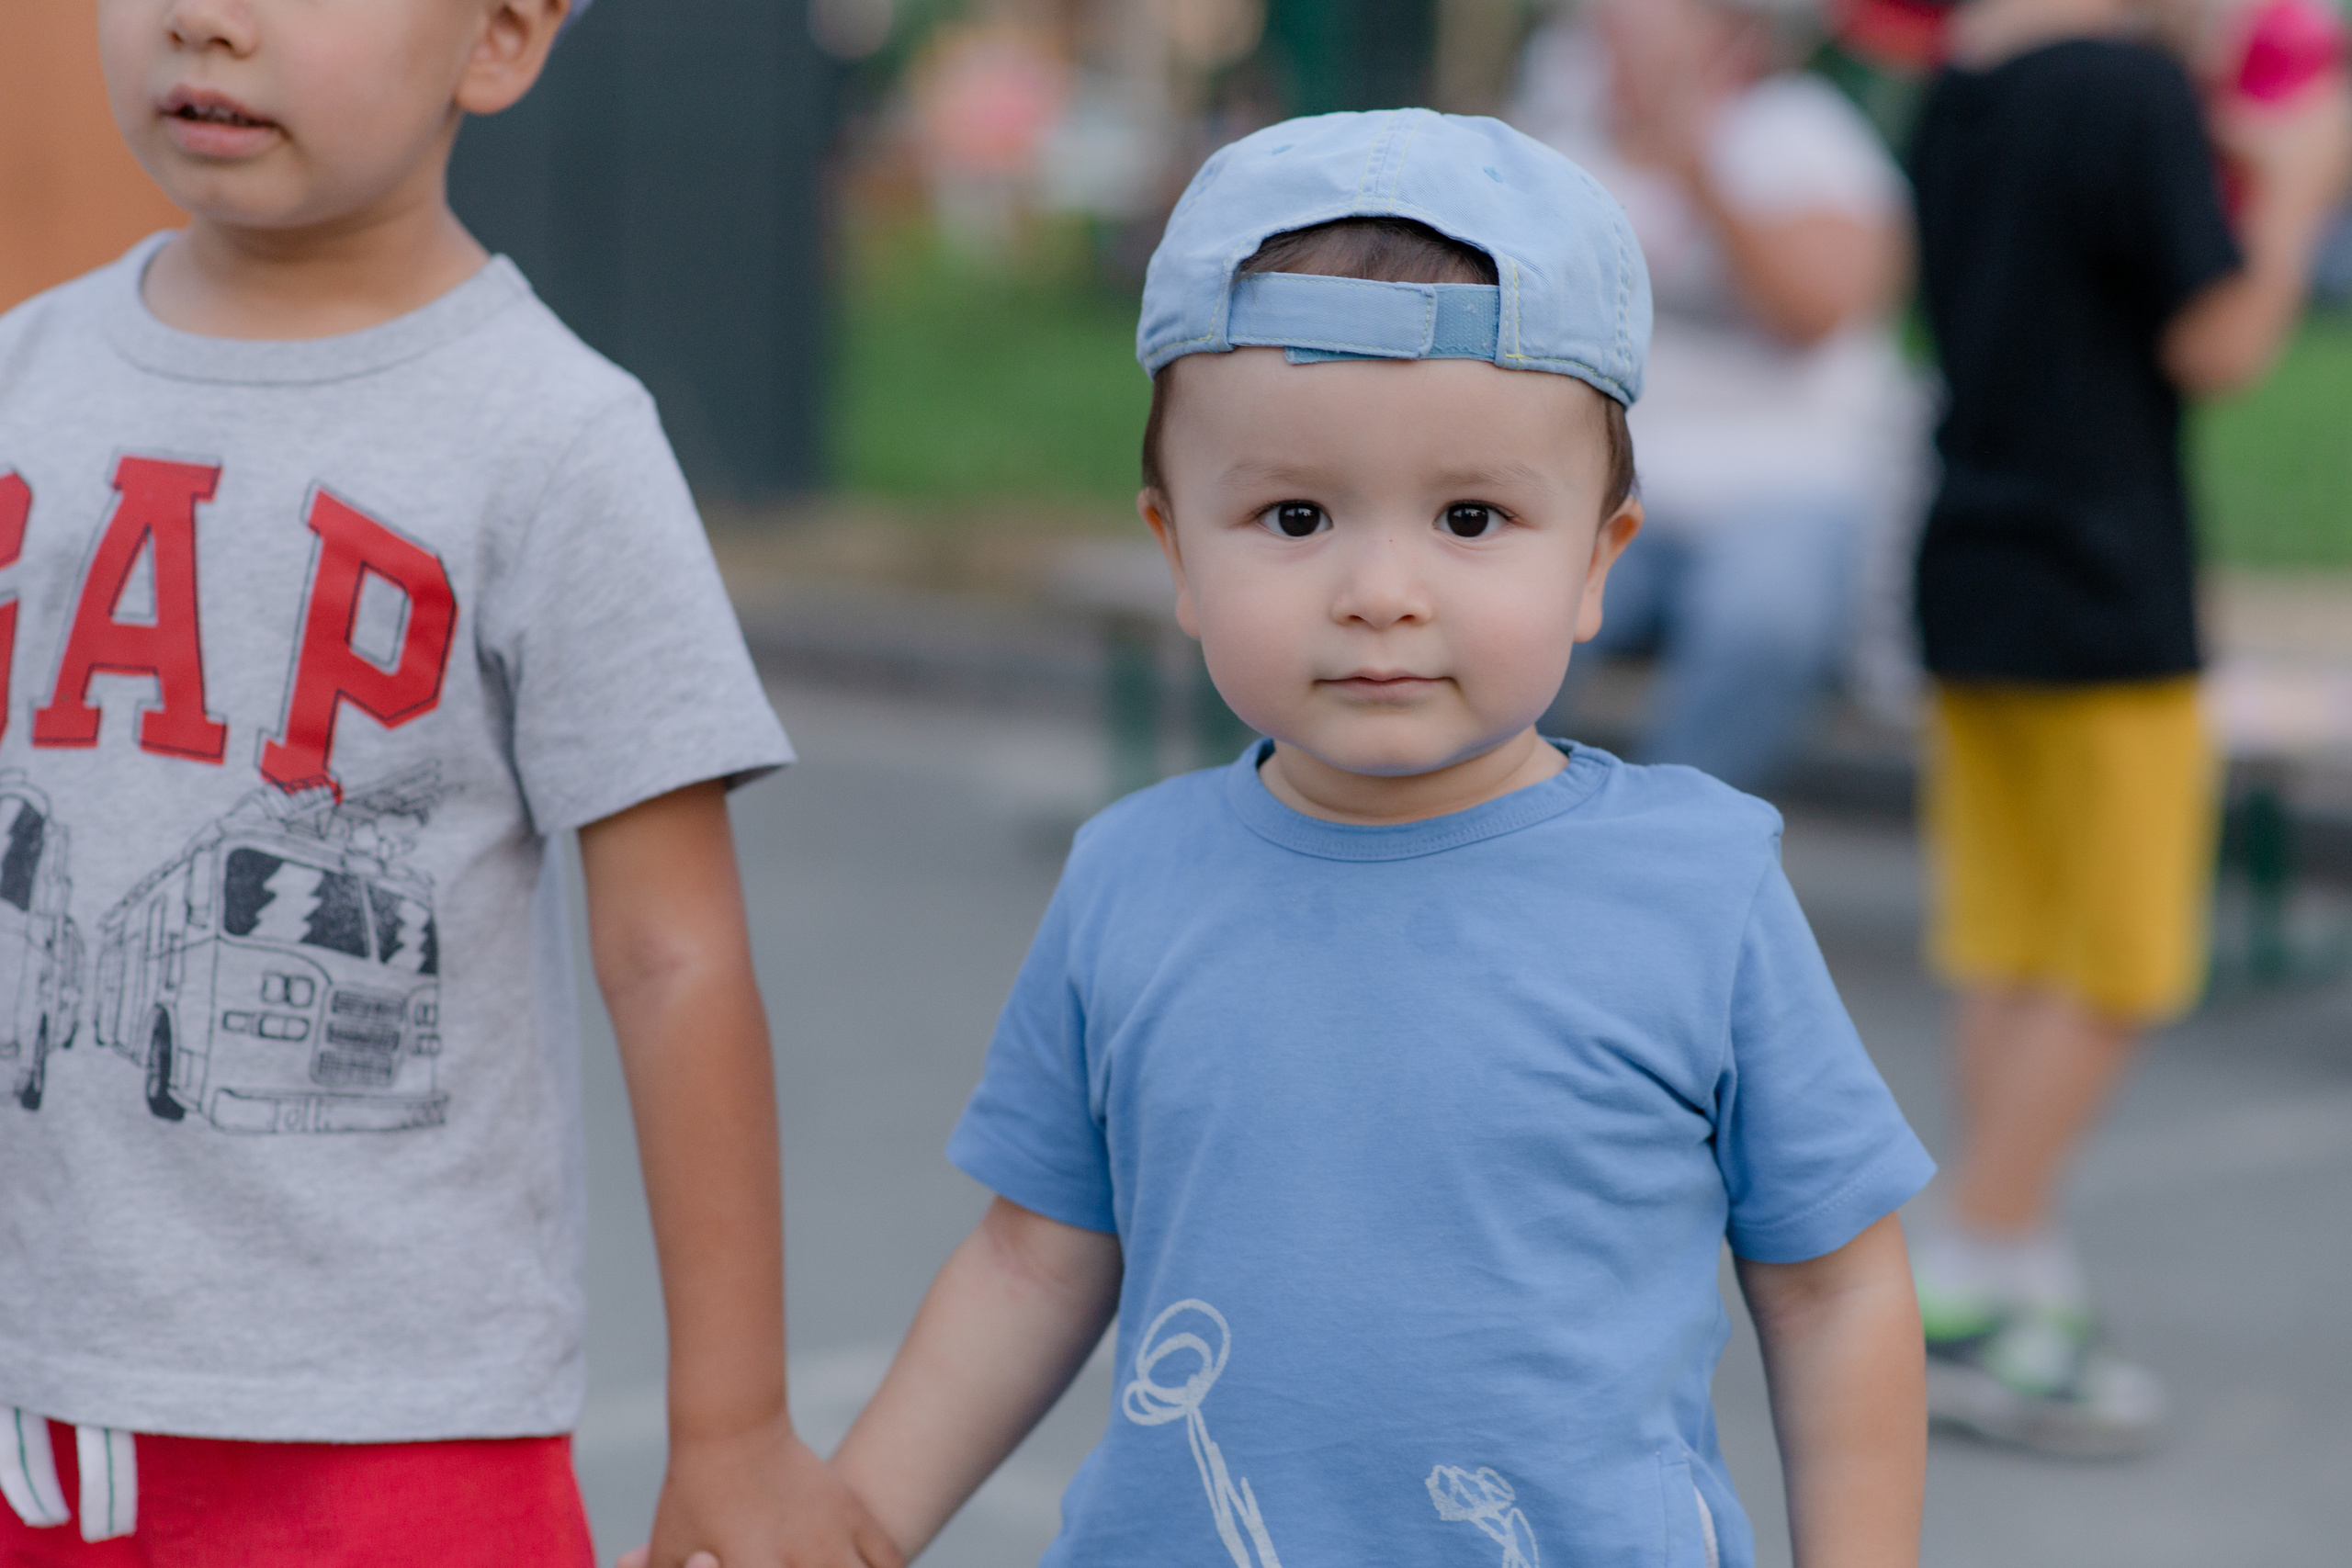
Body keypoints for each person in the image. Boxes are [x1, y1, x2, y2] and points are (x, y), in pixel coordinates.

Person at [820, 111, 1935, 1568]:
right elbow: (1033, 1257)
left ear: (1601, 559)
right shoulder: (1130, 878)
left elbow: (1834, 1287)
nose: (1382, 588)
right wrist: (845, 1529)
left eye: (1472, 515)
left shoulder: (1698, 885)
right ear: (1176, 552)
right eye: (1294, 514)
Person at [0, 4, 896, 1565]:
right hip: (28, 1411)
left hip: (396, 1443)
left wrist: (733, 1426)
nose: (206, 21)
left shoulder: (554, 440)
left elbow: (671, 956)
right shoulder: (23, 374)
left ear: (499, 40)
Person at [1905, 0, 2350, 1456]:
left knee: (2014, 933)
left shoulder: (1963, 92)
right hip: (2109, 597)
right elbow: (2220, 337)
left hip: (1969, 570)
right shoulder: (2130, 95)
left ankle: (2012, 1265)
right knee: (2123, 956)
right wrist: (2291, 183)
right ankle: (1977, 1258)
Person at [1514, 0, 1917, 792]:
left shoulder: (1804, 133)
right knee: (1513, 610)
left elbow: (1817, 308)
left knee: (1764, 626)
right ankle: (1499, 824)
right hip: (1604, 483)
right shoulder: (1561, 147)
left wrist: (1697, 170)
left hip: (1784, 486)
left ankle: (1666, 839)